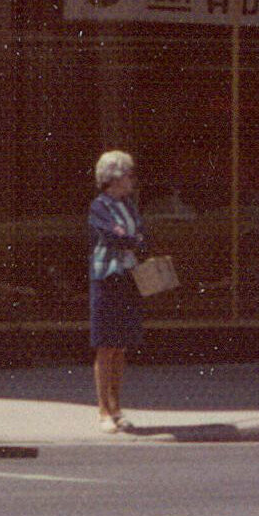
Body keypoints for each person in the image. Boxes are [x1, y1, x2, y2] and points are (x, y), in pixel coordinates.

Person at [86, 149, 146, 434]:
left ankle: (117, 407)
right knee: (105, 346)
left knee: (121, 346)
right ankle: (103, 410)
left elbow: (140, 235)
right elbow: (111, 235)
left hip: (128, 277)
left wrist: (130, 238)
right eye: (128, 175)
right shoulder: (100, 206)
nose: (131, 180)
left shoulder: (128, 206)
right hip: (106, 278)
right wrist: (130, 238)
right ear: (114, 178)